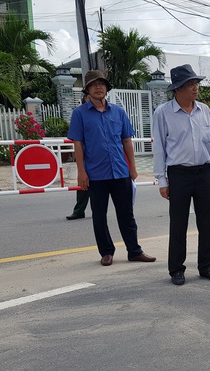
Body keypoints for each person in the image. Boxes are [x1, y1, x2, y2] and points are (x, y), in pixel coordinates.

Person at [68, 69, 156, 266]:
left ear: (107, 88)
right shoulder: (79, 114)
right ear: (87, 90)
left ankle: (134, 251)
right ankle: (106, 252)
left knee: (127, 214)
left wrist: (132, 167)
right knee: (99, 216)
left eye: (102, 84)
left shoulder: (118, 112)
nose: (98, 87)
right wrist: (81, 172)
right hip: (96, 174)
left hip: (120, 171)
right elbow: (78, 145)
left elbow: (126, 141)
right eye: (94, 84)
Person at [153, 64, 210, 286]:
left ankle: (206, 266)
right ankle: (176, 268)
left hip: (203, 172)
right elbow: (159, 149)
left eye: (196, 84)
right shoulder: (163, 113)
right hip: (179, 174)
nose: (195, 88)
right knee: (178, 224)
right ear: (177, 89)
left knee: (206, 223)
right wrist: (162, 180)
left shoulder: (203, 111)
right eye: (190, 85)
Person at [66, 93, 91, 220]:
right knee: (82, 184)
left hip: (98, 159)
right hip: (85, 157)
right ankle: (79, 210)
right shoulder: (80, 114)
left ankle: (97, 211)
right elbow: (77, 141)